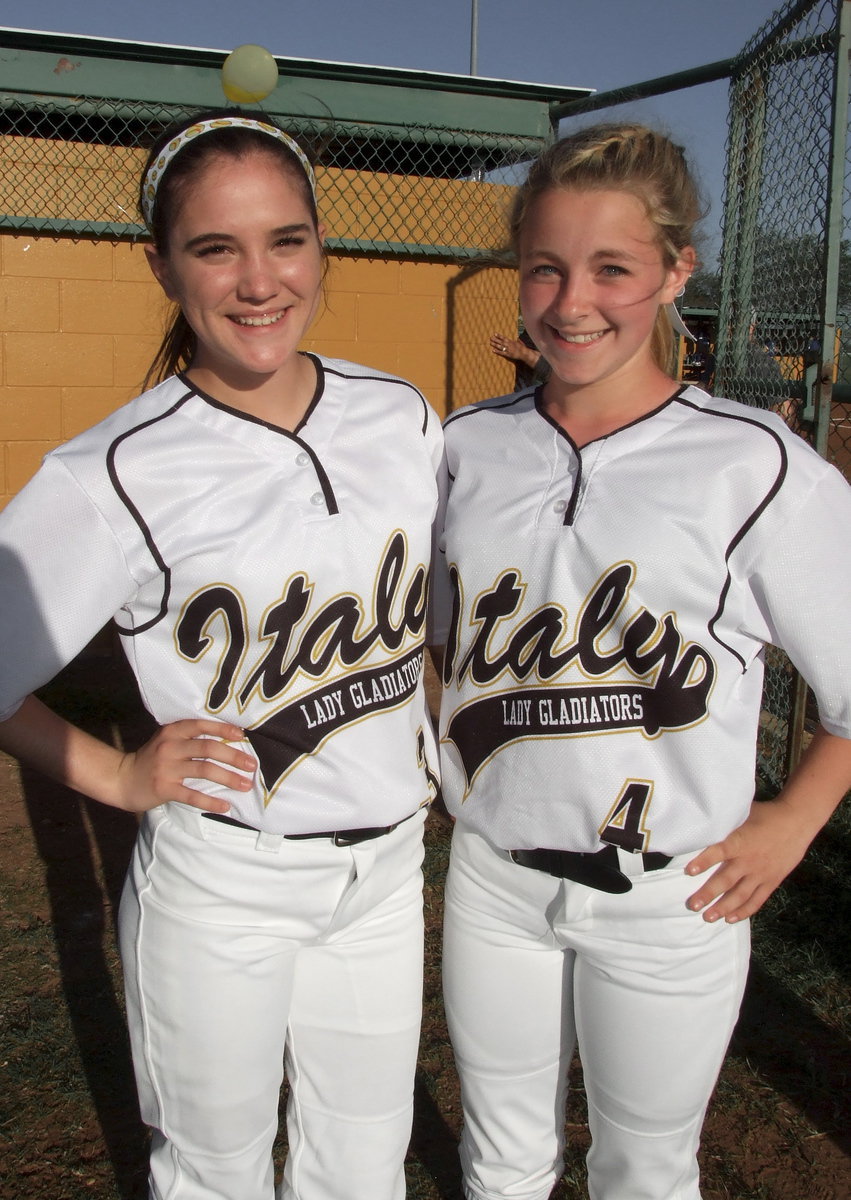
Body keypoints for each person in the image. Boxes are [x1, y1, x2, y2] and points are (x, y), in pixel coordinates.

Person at [0, 110, 443, 1200]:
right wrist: (112, 773)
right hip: (225, 881)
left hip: (387, 873)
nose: (259, 280)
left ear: (320, 247)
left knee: (360, 1169)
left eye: (285, 240)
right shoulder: (112, 470)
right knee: (214, 1175)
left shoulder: (400, 416)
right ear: (162, 267)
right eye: (215, 248)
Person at [429, 123, 851, 1200]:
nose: (572, 301)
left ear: (675, 271)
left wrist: (792, 818)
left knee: (644, 1170)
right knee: (500, 1159)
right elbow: (428, 635)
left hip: (672, 897)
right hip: (493, 879)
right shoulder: (464, 446)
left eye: (612, 268)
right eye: (544, 267)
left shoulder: (751, 465)